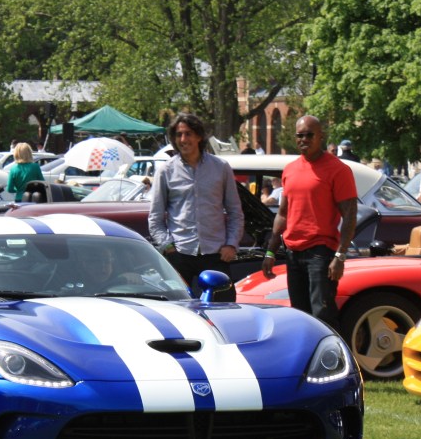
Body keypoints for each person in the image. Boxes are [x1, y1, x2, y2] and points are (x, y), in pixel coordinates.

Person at [260, 115, 358, 330]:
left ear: (321, 137)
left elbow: (350, 215)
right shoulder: (290, 169)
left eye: (309, 135)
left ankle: (332, 360)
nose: (304, 139)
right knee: (300, 315)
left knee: (323, 314)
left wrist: (340, 256)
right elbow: (283, 214)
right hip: (293, 252)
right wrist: (270, 252)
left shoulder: (338, 169)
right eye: (300, 135)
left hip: (320, 253)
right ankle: (307, 360)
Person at [148, 113, 244, 302]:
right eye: (178, 135)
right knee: (178, 311)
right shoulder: (166, 170)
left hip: (215, 254)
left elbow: (235, 212)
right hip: (180, 254)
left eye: (188, 134)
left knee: (223, 309)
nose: (183, 139)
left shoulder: (221, 167)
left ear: (199, 136)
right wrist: (168, 246)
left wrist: (231, 244)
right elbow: (155, 217)